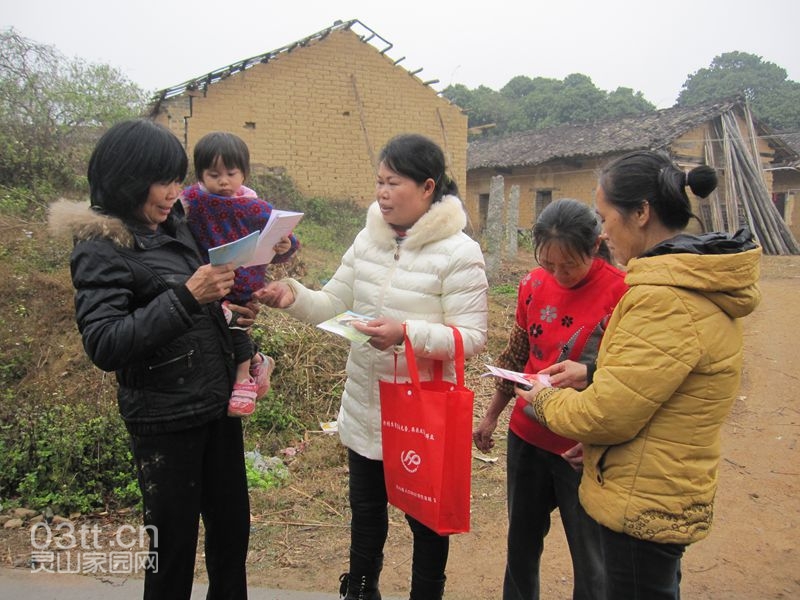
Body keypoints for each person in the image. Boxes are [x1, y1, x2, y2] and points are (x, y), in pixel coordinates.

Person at [254, 133, 489, 600]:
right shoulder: (369, 239)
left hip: (422, 414)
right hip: (365, 405)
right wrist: (293, 295)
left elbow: (472, 338)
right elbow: (334, 303)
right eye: (378, 182)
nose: (381, 193)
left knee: (425, 523)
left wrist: (407, 333)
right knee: (365, 513)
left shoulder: (459, 252)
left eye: (393, 183)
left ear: (427, 187)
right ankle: (360, 589)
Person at [519, 150, 762, 600]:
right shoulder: (679, 283)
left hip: (643, 498)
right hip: (654, 482)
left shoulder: (665, 298)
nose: (603, 230)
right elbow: (650, 380)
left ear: (642, 212)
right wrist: (592, 372)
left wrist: (543, 397)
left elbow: (608, 414)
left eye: (605, 215)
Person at [49, 119, 252, 600]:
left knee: (231, 535)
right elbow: (105, 342)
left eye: (176, 180)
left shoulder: (176, 227)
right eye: (162, 181)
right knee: (173, 551)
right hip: (166, 420)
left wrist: (225, 303)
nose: (172, 192)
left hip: (215, 406)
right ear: (127, 179)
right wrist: (187, 295)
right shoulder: (101, 248)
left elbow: (198, 305)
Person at [473, 199, 627, 600]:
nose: (558, 274)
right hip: (527, 437)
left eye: (569, 265)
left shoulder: (623, 294)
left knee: (591, 557)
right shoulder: (531, 285)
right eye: (549, 264)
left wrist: (597, 437)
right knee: (520, 544)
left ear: (595, 247)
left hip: (579, 447)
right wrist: (491, 417)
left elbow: (627, 378)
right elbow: (516, 357)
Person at [182, 131, 299, 417]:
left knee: (236, 321)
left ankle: (243, 379)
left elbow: (285, 239)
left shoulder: (256, 208)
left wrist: (286, 244)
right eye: (214, 175)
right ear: (200, 176)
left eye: (231, 174)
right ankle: (258, 360)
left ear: (244, 174)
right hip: (210, 277)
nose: (223, 181)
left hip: (245, 280)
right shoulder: (193, 201)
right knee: (224, 323)